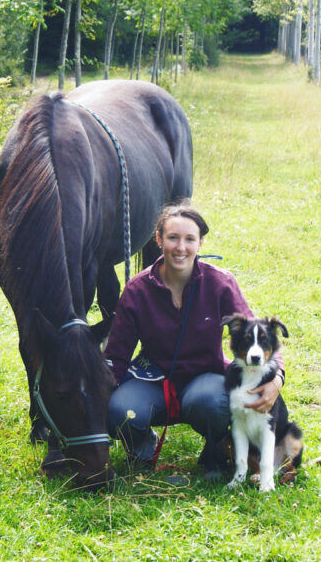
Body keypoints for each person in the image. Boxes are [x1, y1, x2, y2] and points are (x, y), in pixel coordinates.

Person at [105, 202, 285, 476]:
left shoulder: (220, 282)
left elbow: (257, 335)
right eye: (172, 238)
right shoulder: (137, 290)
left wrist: (277, 378)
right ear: (158, 239)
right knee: (120, 412)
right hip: (152, 378)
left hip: (206, 377)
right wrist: (96, 398)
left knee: (212, 403)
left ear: (200, 243)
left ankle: (215, 453)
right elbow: (116, 355)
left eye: (189, 239)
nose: (181, 247)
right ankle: (142, 448)